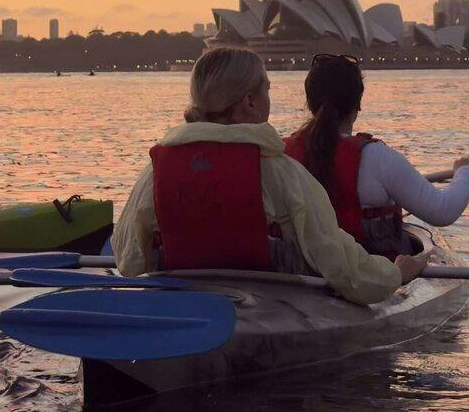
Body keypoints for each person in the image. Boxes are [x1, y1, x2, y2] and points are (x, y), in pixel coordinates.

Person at [109, 45, 426, 306]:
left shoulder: (155, 172)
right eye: (267, 90)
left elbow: (127, 260)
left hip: (184, 305)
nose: (268, 100)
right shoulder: (282, 173)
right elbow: (342, 266)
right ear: (249, 101)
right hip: (274, 308)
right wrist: (394, 274)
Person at [282, 53, 469, 256]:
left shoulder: (280, 153)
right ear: (357, 104)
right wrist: (467, 170)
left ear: (310, 103)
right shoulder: (377, 158)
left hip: (304, 269)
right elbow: (443, 211)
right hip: (375, 277)